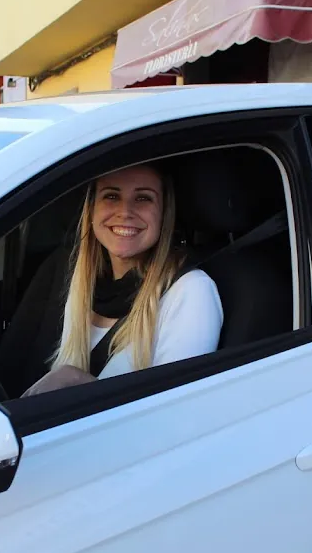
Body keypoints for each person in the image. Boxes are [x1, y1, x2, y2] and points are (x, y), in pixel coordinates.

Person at [23, 162, 224, 397]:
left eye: (143, 199)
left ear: (164, 213)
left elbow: (175, 414)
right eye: (111, 196)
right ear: (91, 210)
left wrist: (76, 379)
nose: (125, 211)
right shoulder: (71, 277)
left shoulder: (191, 292)